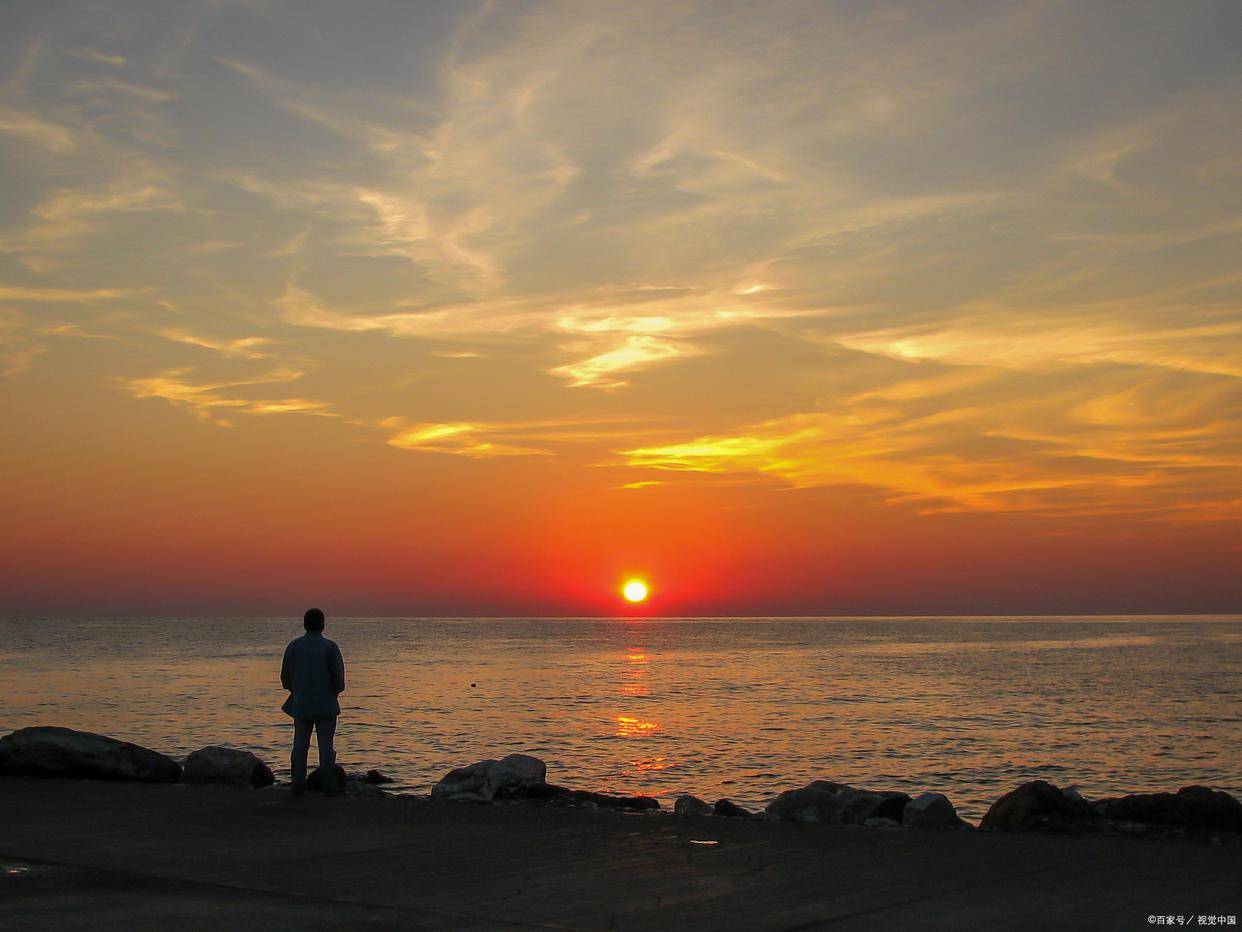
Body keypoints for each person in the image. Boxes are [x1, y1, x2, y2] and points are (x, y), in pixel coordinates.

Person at [280, 608, 346, 796]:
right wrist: (332, 693)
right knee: (326, 748)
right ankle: (329, 786)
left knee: (300, 746)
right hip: (326, 704)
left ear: (305, 624)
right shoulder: (330, 647)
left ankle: (298, 785)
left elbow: (285, 677)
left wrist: (298, 690)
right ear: (323, 625)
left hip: (301, 704)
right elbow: (339, 680)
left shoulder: (294, 646)